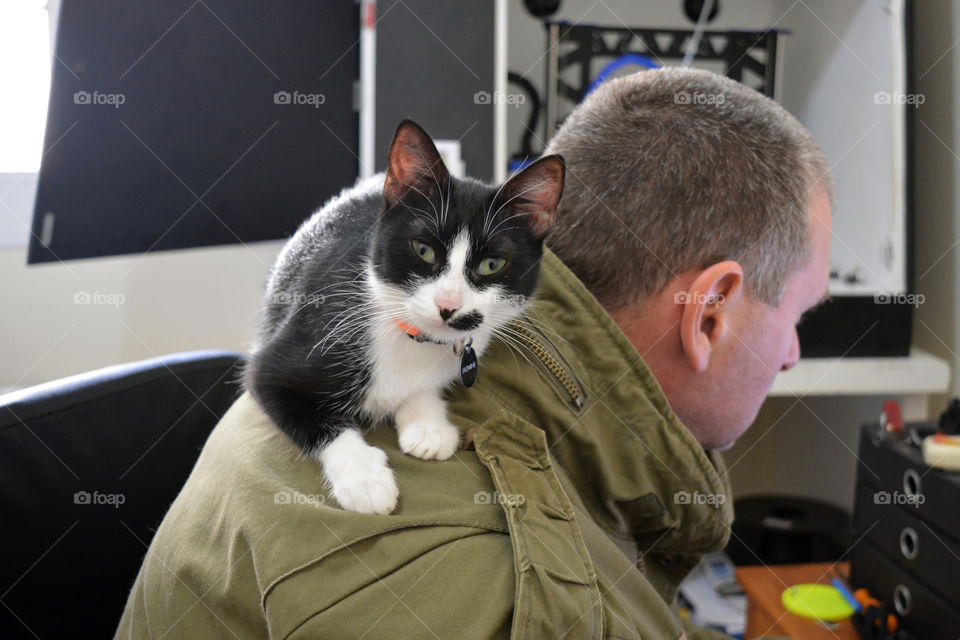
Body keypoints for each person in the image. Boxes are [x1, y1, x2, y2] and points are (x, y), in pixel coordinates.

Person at [115, 67, 832, 640]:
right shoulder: (462, 572)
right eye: (798, 315)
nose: (794, 352)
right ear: (707, 315)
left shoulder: (498, 371)